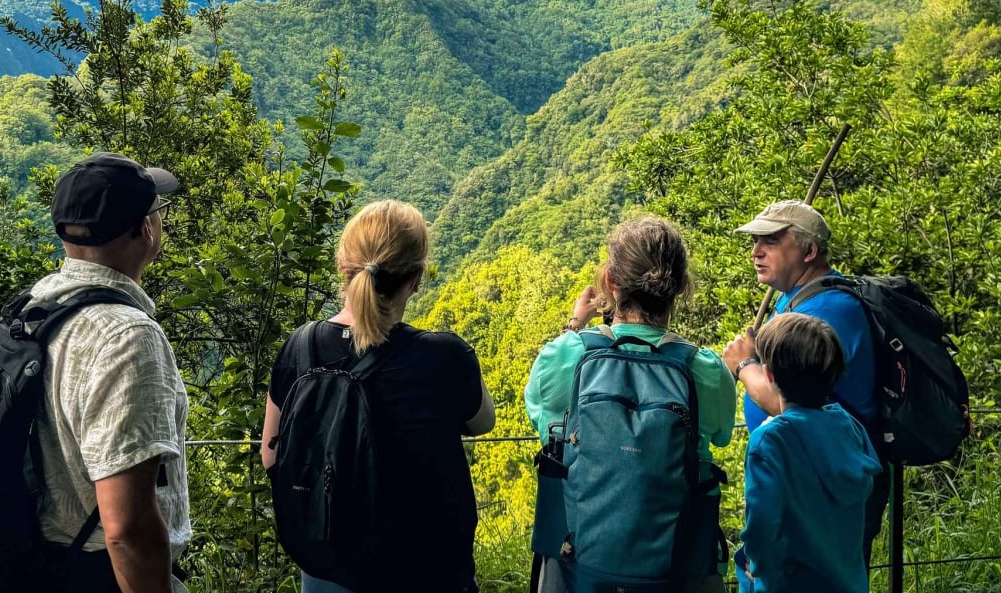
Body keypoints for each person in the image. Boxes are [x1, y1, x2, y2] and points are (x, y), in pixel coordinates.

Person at [261, 199, 496, 593]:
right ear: (417, 279)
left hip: (327, 566)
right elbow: (483, 422)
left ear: (343, 266)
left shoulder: (302, 347)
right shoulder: (444, 356)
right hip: (427, 568)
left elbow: (272, 454)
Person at [525, 215, 737, 593]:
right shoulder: (704, 369)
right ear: (681, 287)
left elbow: (544, 421)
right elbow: (720, 436)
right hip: (678, 569)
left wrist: (575, 324)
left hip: (577, 567)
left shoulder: (566, 356)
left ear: (611, 283)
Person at [28, 151, 191, 593]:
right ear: (145, 229)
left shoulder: (38, 309)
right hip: (102, 573)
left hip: (40, 562)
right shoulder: (127, 336)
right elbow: (126, 527)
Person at [720, 199, 888, 562]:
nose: (756, 252)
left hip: (823, 482)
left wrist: (744, 364)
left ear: (809, 250)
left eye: (771, 242)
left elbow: (787, 399)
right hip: (807, 470)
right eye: (755, 242)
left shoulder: (827, 311)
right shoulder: (795, 298)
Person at [736, 313, 883, 593]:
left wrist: (758, 571)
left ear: (768, 375)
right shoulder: (849, 426)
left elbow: (761, 528)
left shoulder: (770, 440)